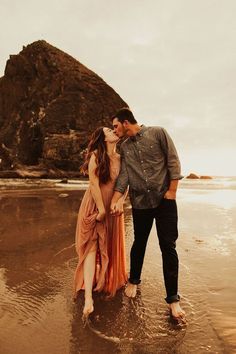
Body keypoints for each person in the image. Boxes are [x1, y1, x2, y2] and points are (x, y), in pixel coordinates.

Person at [110, 107, 185, 320]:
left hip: (165, 201)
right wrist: (116, 200)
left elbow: (173, 161)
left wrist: (172, 191)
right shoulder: (124, 147)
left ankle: (173, 299)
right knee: (139, 242)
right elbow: (124, 176)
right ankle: (134, 280)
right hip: (140, 203)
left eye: (116, 126)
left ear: (126, 122)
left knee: (168, 247)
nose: (115, 131)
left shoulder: (158, 132)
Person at [74, 127, 127, 318]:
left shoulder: (121, 158)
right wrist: (101, 209)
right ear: (103, 138)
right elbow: (93, 183)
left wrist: (119, 201)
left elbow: (124, 184)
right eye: (108, 130)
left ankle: (105, 279)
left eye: (113, 129)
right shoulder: (96, 155)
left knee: (109, 246)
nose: (113, 131)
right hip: (95, 205)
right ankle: (88, 297)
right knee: (92, 247)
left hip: (112, 208)